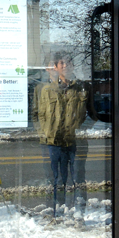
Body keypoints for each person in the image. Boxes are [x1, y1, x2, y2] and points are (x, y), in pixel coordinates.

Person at [37, 53, 88, 217]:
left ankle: (78, 212)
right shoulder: (46, 90)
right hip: (53, 142)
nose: (65, 66)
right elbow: (39, 115)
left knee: (78, 179)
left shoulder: (81, 87)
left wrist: (79, 129)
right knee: (56, 180)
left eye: (68, 63)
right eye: (61, 63)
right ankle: (57, 211)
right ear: (57, 67)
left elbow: (91, 114)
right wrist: (45, 134)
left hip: (74, 141)